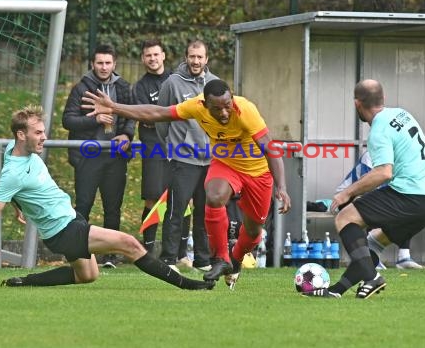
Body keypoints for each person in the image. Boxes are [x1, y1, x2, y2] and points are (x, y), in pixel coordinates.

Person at [0, 105, 214, 291]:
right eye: (38, 133)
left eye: (43, 131)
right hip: (63, 230)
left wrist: (18, 204)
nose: (44, 137)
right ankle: (187, 284)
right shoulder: (13, 173)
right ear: (21, 135)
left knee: (87, 275)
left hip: (70, 219)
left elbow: (12, 188)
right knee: (129, 243)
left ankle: (23, 282)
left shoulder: (10, 149)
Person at [82, 78, 291, 289]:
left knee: (254, 231)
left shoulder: (246, 110)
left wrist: (281, 187)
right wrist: (114, 107)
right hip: (226, 164)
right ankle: (220, 259)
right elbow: (156, 113)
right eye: (217, 109)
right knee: (214, 196)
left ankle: (235, 260)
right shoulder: (195, 106)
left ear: (232, 98)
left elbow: (270, 148)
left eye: (227, 106)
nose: (224, 113)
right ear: (205, 104)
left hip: (258, 172)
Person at [307, 79, 425, 299]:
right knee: (372, 243)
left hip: (411, 194)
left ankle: (372, 278)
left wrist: (347, 192)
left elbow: (383, 173)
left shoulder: (378, 130)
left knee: (345, 217)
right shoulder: (401, 114)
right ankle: (337, 291)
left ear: (356, 104)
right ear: (383, 99)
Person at [62, 44, 134, 268]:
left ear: (114, 64)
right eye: (100, 63)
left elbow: (131, 115)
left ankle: (110, 256)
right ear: (92, 64)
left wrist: (126, 134)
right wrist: (96, 119)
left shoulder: (123, 87)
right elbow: (68, 120)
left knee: (113, 207)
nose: (104, 67)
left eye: (108, 63)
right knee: (83, 205)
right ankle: (76, 252)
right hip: (88, 156)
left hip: (115, 156)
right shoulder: (81, 88)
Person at [154, 39, 217, 272]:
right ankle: (168, 259)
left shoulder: (215, 83)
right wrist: (171, 148)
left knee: (204, 212)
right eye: (192, 56)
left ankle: (202, 260)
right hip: (182, 160)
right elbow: (162, 119)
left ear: (206, 59)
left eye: (200, 57)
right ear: (186, 57)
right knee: (175, 211)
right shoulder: (172, 83)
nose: (196, 61)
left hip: (209, 161)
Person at [336, 151, 425, 270]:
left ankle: (404, 258)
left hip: (373, 195)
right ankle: (370, 258)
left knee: (407, 209)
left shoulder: (402, 157)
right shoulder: (371, 155)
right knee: (374, 205)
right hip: (345, 196)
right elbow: (368, 188)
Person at [132, 39, 176, 255]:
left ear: (163, 55)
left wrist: (159, 114)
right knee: (153, 197)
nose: (152, 58)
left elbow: (183, 110)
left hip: (178, 147)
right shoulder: (140, 87)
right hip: (153, 147)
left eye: (156, 54)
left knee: (179, 198)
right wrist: (169, 114)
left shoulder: (176, 80)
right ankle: (147, 252)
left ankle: (177, 253)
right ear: (143, 59)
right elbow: (145, 117)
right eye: (148, 55)